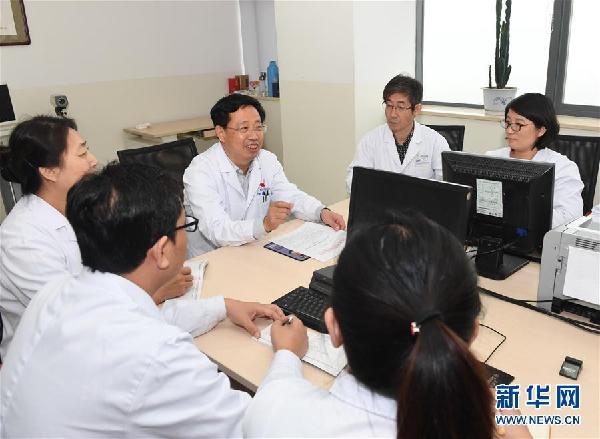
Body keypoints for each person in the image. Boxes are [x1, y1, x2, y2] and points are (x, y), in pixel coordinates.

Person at [0, 163, 285, 437]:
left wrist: (223, 306)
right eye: (185, 227)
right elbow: (255, 427)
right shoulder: (159, 355)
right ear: (161, 251)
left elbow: (145, 319)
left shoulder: (57, 292)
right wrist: (287, 357)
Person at [243, 211, 532, 438]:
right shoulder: (489, 425)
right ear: (472, 334)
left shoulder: (273, 414)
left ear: (334, 326)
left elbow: (278, 395)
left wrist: (286, 356)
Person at [0, 116, 192, 358]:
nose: (93, 160)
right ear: (49, 171)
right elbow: (76, 319)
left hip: (113, 332)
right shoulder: (22, 239)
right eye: (82, 154)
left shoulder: (86, 209)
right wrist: (155, 290)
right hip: (56, 356)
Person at [184, 94, 346, 257]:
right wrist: (263, 225)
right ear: (221, 133)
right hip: (213, 257)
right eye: (244, 128)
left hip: (254, 248)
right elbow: (217, 230)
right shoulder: (200, 171)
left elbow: (290, 197)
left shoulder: (267, 160)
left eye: (258, 127)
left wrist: (320, 212)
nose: (254, 136)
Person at [487, 93, 583, 228]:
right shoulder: (491, 158)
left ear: (541, 130)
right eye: (508, 123)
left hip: (538, 238)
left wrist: (518, 214)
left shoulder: (562, 167)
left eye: (519, 124)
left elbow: (570, 217)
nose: (509, 130)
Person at [346, 74, 450, 193]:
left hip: (421, 203)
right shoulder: (371, 140)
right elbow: (352, 180)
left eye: (400, 107)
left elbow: (448, 185)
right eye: (389, 105)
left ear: (416, 109)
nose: (393, 114)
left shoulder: (435, 141)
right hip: (382, 202)